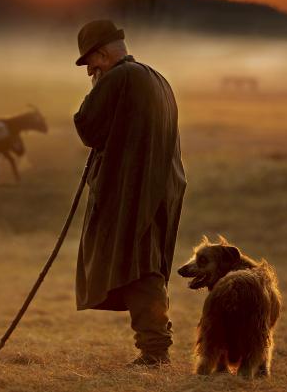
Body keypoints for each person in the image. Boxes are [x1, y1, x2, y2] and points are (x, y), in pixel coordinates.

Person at [73, 19, 187, 365]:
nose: (90, 69)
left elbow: (87, 126)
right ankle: (155, 347)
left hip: (132, 189)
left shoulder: (120, 77)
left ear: (103, 53)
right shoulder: (156, 79)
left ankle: (154, 351)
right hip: (158, 187)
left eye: (90, 61)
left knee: (139, 266)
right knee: (144, 263)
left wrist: (97, 89)